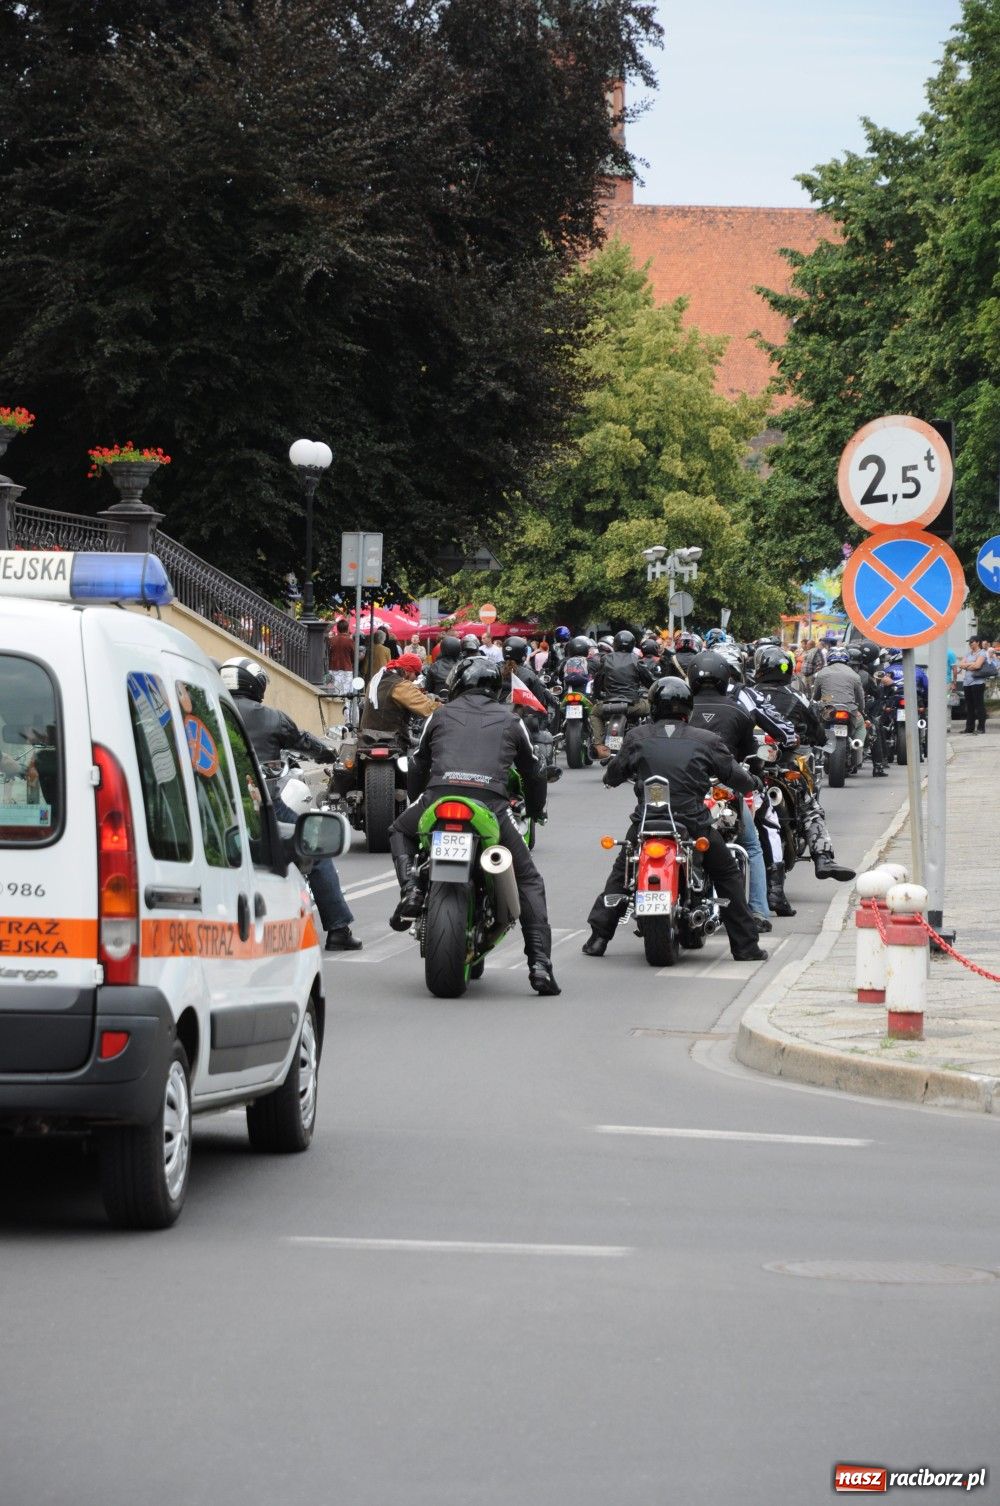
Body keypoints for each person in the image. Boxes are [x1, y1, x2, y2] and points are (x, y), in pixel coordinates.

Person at [388, 656, 560, 996]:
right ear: (495, 688)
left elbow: (418, 763)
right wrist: (537, 809)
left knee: (400, 830)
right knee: (527, 878)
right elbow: (534, 771)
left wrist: (420, 799)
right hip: (491, 805)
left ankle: (411, 888)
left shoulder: (439, 714)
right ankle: (539, 965)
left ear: (456, 684)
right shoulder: (512, 720)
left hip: (439, 799)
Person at [581, 677, 766, 962]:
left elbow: (615, 773)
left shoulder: (637, 737)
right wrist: (752, 781)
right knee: (728, 874)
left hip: (647, 822)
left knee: (622, 873)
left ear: (653, 706)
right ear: (688, 708)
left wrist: (612, 776)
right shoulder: (706, 739)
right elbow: (735, 775)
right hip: (692, 822)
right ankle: (745, 947)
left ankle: (597, 939)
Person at [221, 656, 362, 951]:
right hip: (264, 802)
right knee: (315, 845)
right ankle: (338, 929)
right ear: (255, 684)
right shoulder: (271, 717)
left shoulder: (209, 709)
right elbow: (303, 741)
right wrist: (327, 754)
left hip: (218, 804)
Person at [753, 645, 855, 887]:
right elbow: (817, 732)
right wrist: (818, 739)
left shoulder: (747, 694)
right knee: (811, 808)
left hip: (751, 767)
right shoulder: (796, 697)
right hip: (784, 765)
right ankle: (823, 858)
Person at [686, 650, 774, 931]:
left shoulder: (681, 709)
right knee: (752, 845)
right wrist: (755, 777)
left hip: (686, 788)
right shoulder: (738, 711)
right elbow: (752, 755)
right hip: (725, 787)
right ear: (725, 678)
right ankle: (759, 910)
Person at [589, 630, 654, 759]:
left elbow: (598, 681)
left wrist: (597, 695)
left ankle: (599, 745)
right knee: (652, 707)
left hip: (608, 705)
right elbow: (649, 681)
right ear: (632, 644)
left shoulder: (606, 659)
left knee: (594, 713)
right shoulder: (636, 660)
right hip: (632, 705)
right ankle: (651, 742)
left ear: (615, 644)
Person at [360, 652, 438, 738]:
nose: (416, 678)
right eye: (417, 673)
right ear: (408, 670)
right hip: (391, 738)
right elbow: (427, 708)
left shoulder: (376, 680)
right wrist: (449, 708)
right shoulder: (400, 685)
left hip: (366, 737)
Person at [811, 646, 867, 745]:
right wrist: (861, 711)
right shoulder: (854, 675)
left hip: (828, 708)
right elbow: (860, 697)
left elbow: (815, 696)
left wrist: (821, 701)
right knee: (861, 724)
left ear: (828, 658)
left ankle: (817, 749)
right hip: (849, 708)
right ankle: (858, 747)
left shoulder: (821, 673)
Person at [957, 637, 989, 733]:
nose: (970, 644)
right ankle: (969, 728)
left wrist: (967, 665)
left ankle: (981, 728)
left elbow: (978, 666)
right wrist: (972, 664)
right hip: (967, 683)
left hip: (978, 683)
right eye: (969, 642)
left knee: (979, 705)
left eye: (972, 642)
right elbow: (961, 665)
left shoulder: (982, 653)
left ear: (978, 642)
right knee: (969, 706)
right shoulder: (968, 654)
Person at [326, 618, 355, 694]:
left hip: (332, 668)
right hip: (347, 669)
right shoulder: (350, 641)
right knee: (346, 694)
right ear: (347, 628)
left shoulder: (331, 640)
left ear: (338, 629)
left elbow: (327, 654)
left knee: (332, 692)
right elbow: (354, 656)